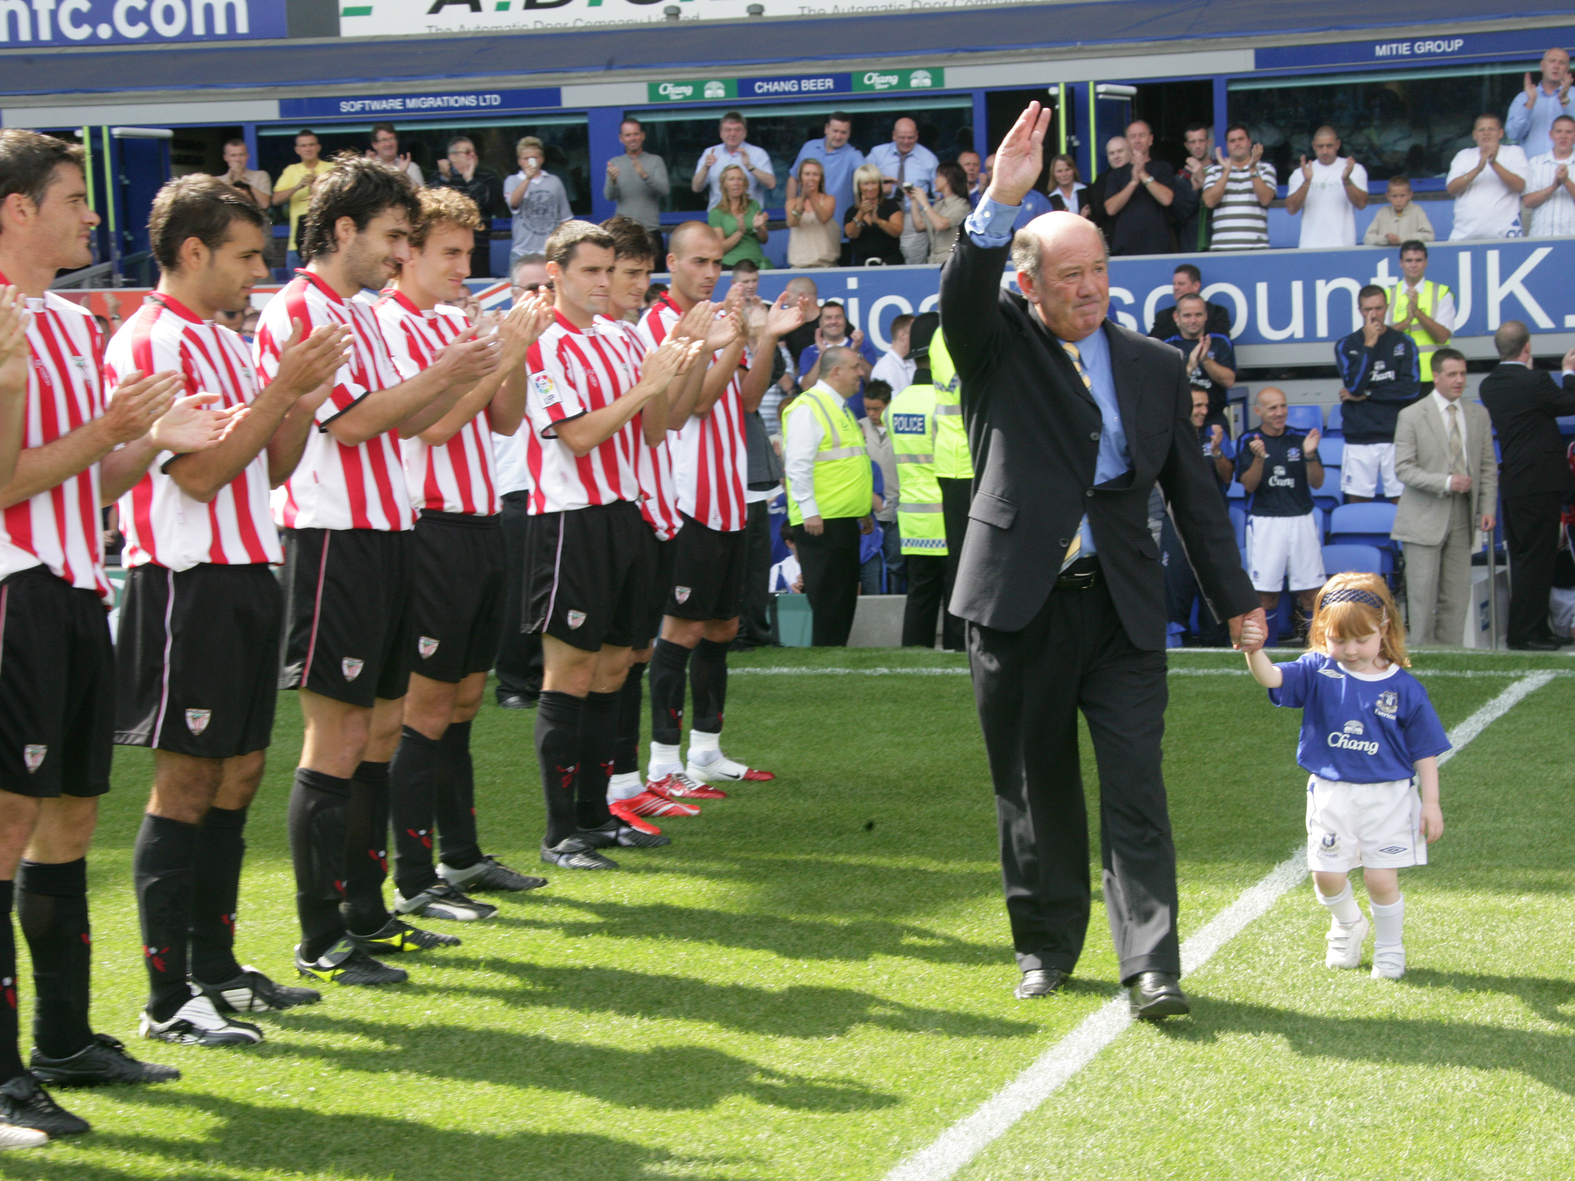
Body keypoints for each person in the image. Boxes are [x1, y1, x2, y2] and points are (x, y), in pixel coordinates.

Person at [939, 103, 1262, 1013]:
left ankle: (1151, 963)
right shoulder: (995, 341)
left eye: (1100, 271)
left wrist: (1236, 601)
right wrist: (998, 199)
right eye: (1069, 275)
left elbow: (1193, 499)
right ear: (1029, 283)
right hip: (1017, 604)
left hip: (1121, 608)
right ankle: (1043, 947)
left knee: (1135, 786)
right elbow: (961, 292)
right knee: (1034, 792)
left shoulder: (1156, 364)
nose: (1089, 289)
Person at [0, 131, 237, 1139]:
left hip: (75, 583)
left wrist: (148, 444)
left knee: (71, 818)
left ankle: (61, 1039)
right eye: (70, 197)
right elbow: (7, 481)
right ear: (16, 208)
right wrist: (111, 434)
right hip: (13, 590)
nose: (91, 215)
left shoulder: (59, 319)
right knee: (8, 827)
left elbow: (77, 479)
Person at [108, 176, 345, 1051]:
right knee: (188, 781)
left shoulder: (224, 339)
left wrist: (302, 392)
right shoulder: (149, 341)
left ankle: (214, 967)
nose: (260, 270)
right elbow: (198, 475)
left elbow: (267, 468)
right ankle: (166, 997)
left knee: (239, 772)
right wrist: (282, 384)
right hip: (186, 578)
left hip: (248, 567)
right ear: (195, 251)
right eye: (247, 254)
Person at [261, 156, 503, 988]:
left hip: (390, 530)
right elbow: (357, 424)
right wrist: (452, 374)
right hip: (334, 538)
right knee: (335, 739)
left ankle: (369, 912)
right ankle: (320, 935)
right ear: (342, 231)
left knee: (382, 731)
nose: (402, 252)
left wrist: (488, 361)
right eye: (394, 236)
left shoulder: (365, 315)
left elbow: (420, 418)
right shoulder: (300, 307)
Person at [375, 190, 554, 919]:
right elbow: (435, 427)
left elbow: (505, 417)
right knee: (424, 705)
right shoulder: (388, 324)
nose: (462, 265)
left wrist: (508, 354)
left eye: (466, 251)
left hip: (478, 525)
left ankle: (461, 854)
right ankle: (414, 877)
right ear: (405, 252)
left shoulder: (454, 320)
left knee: (464, 700)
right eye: (447, 251)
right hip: (429, 527)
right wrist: (502, 352)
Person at [521, 221, 709, 869]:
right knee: (569, 673)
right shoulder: (546, 344)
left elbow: (653, 430)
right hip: (571, 518)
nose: (603, 283)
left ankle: (596, 815)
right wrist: (645, 385)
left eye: (610, 271)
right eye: (590, 272)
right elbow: (577, 437)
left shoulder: (619, 336)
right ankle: (558, 832)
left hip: (624, 512)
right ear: (557, 274)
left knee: (612, 668)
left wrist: (671, 368)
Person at [640, 224, 799, 795]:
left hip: (730, 495)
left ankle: (705, 749)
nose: (711, 272)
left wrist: (767, 338)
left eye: (718, 262)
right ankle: (662, 760)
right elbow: (699, 402)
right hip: (687, 501)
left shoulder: (716, 320)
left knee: (722, 626)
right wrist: (736, 337)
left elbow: (747, 399)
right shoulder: (662, 324)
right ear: (672, 263)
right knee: (680, 630)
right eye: (700, 261)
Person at [1239, 575, 1448, 982]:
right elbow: (1272, 678)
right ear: (1320, 632)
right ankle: (1349, 923)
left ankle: (1390, 946)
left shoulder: (1405, 688)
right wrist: (1254, 651)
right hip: (1331, 793)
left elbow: (1425, 750)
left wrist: (1433, 803)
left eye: (1361, 639)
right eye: (1338, 639)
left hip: (1388, 798)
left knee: (1380, 878)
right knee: (1327, 875)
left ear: (1383, 627)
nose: (1350, 651)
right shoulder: (1318, 668)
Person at [596, 217, 717, 828]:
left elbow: (670, 417)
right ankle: (612, 788)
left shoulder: (623, 336)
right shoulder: (616, 335)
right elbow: (650, 421)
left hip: (654, 508)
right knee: (611, 662)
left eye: (644, 273)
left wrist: (692, 353)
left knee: (634, 654)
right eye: (626, 272)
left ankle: (626, 781)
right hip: (621, 511)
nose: (638, 284)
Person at [1477, 320, 1575, 650]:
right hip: (1539, 482)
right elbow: (1570, 403)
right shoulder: (1535, 381)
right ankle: (1523, 634)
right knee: (1536, 560)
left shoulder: (1490, 385)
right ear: (1528, 348)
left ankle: (1537, 629)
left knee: (1530, 558)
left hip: (1516, 482)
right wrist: (1569, 372)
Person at [1391, 349, 1497, 646]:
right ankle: (1422, 660)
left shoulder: (1478, 414)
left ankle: (1453, 656)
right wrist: (1447, 482)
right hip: (1423, 519)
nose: (1460, 380)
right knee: (1422, 599)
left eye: (1463, 373)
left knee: (1457, 596)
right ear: (1436, 377)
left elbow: (1488, 465)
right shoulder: (1411, 415)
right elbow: (1403, 469)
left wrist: (1487, 507)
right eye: (1452, 374)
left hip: (1463, 516)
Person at [784, 346, 874, 646]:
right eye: (854, 367)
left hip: (840, 520)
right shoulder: (809, 406)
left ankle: (833, 664)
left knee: (842, 601)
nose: (860, 373)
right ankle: (826, 666)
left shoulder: (838, 407)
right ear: (835, 372)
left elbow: (846, 465)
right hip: (821, 523)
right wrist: (809, 510)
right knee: (830, 606)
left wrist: (861, 509)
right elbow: (797, 464)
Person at [494, 254, 551, 711]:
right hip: (513, 483)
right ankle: (514, 683)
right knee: (518, 592)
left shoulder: (561, 343)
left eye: (542, 288)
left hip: (558, 486)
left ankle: (549, 677)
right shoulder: (496, 345)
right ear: (512, 294)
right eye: (527, 289)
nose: (535, 297)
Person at [1239, 386, 1325, 638]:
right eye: (1272, 408)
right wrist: (1259, 458)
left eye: (1283, 406)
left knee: (1311, 594)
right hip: (1266, 522)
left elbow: (1318, 482)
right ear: (1258, 411)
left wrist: (1309, 455)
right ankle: (1268, 657)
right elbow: (1248, 485)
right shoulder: (1248, 440)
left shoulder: (1301, 437)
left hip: (1301, 520)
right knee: (1266, 595)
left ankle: (1317, 655)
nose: (1280, 413)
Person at [889, 313, 950, 646]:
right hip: (947, 514)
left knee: (920, 595)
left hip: (913, 520)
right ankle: (958, 653)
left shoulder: (896, 406)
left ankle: (913, 656)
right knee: (957, 595)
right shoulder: (946, 403)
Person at [1335, 285, 1422, 503]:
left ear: (1387, 308)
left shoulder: (1404, 342)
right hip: (1360, 434)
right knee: (1357, 502)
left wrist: (1369, 394)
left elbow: (1410, 388)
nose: (1373, 314)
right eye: (1367, 309)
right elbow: (1354, 387)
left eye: (1378, 308)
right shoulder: (1346, 344)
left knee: (1402, 501)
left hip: (1397, 435)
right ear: (1359, 310)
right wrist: (1369, 344)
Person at [867, 117, 939, 265]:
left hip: (913, 219)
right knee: (881, 263)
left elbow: (940, 194)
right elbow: (860, 179)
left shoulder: (929, 159)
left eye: (910, 137)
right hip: (883, 215)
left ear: (917, 135)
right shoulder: (877, 154)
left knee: (913, 266)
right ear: (894, 135)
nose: (906, 141)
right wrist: (879, 184)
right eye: (902, 137)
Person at [1098, 120, 1176, 256]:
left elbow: (1166, 199)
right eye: (1132, 137)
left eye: (1142, 135)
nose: (1137, 140)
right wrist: (1133, 183)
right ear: (1127, 142)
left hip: (1158, 247)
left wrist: (1142, 174)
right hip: (1125, 248)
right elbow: (1110, 208)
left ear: (1151, 140)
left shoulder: (1163, 168)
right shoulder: (1116, 174)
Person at [431, 137, 505, 277]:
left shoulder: (487, 178)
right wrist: (446, 179)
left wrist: (470, 180)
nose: (472, 155)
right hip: (446, 249)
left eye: (474, 152)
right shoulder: (439, 178)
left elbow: (487, 202)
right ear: (452, 156)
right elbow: (436, 205)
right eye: (467, 152)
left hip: (478, 248)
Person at [1446, 115, 1529, 240]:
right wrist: (1479, 168)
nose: (1486, 133)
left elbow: (1519, 186)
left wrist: (1493, 163)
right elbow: (1452, 189)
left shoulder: (1514, 152)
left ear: (1501, 133)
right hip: (1466, 234)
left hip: (1505, 234)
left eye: (1491, 129)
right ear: (1474, 135)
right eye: (1481, 130)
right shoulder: (1464, 156)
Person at [1284, 126, 1369, 249]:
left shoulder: (1354, 169)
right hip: (1309, 248)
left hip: (1344, 247)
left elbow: (1361, 204)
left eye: (1329, 146)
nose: (1325, 151)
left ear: (1338, 144)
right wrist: (1307, 181)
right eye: (1320, 146)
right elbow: (1291, 209)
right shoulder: (1300, 173)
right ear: (1313, 146)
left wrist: (1346, 180)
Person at [1386, 241, 1455, 387]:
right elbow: (1381, 338)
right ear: (1401, 263)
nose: (1413, 265)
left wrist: (1417, 312)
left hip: (1432, 375)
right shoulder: (1387, 295)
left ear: (1426, 263)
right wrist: (1406, 321)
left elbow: (1443, 337)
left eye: (1418, 260)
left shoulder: (1441, 293)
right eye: (1409, 260)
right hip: (1398, 375)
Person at [787, 112, 865, 240]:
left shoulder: (852, 155)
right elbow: (793, 178)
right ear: (826, 129)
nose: (838, 136)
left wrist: (881, 180)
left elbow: (866, 173)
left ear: (849, 133)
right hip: (805, 229)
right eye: (835, 131)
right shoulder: (809, 147)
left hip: (837, 232)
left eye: (843, 132)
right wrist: (790, 210)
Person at [1162, 292, 1235, 427]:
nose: (1193, 320)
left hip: (1214, 419)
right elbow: (1165, 388)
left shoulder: (1220, 342)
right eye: (1187, 315)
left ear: (1206, 315)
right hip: (1180, 420)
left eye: (1198, 315)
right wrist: (1190, 366)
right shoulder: (1167, 346)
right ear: (1176, 317)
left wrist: (1206, 360)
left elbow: (1229, 381)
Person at [1204, 124, 1276, 251]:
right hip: (1222, 248)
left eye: (1241, 139)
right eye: (1232, 141)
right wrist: (1227, 171)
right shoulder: (1214, 171)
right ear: (1227, 145)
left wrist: (1253, 168)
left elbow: (1265, 199)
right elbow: (1210, 201)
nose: (1237, 143)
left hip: (1256, 248)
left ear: (1249, 142)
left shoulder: (1265, 169)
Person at [506, 136, 573, 269]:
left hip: (550, 252)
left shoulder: (554, 181)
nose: (530, 162)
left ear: (541, 159)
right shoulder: (512, 180)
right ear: (519, 161)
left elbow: (565, 219)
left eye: (534, 158)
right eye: (526, 159)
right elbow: (513, 203)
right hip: (522, 252)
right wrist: (527, 179)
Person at [860, 378, 901, 592]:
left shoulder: (900, 426)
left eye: (876, 409)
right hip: (869, 512)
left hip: (896, 508)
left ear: (888, 404)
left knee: (897, 564)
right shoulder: (859, 428)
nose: (871, 414)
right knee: (870, 564)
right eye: (867, 408)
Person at [603, 118, 668, 252]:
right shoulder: (614, 163)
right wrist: (613, 181)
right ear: (621, 138)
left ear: (642, 136)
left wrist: (645, 175)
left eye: (636, 134)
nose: (632, 138)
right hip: (624, 233)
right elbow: (609, 197)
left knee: (655, 272)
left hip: (650, 231)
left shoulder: (655, 160)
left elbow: (665, 191)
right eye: (628, 135)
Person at [271, 130, 332, 273]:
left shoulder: (331, 168)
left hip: (326, 240)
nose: (308, 149)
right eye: (303, 146)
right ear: (297, 150)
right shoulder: (291, 170)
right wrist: (298, 186)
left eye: (311, 145)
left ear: (318, 147)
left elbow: (344, 196)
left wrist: (319, 184)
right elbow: (275, 200)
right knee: (296, 290)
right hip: (296, 244)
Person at [691, 112, 774, 209]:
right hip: (718, 218)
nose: (732, 134)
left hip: (749, 217)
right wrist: (705, 167)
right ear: (721, 133)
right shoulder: (710, 152)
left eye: (737, 130)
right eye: (728, 130)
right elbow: (696, 188)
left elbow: (771, 184)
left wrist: (749, 166)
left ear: (745, 133)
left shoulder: (758, 153)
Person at [1505, 47, 1573, 157]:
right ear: (1542, 66)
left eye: (1562, 62)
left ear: (1567, 68)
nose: (1556, 66)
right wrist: (1530, 104)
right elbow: (1513, 135)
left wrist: (1564, 100)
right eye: (1552, 61)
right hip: (1532, 170)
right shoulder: (1524, 98)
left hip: (1569, 170)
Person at [797, 299, 876, 390]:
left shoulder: (862, 345)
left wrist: (856, 352)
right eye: (828, 318)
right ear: (820, 323)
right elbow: (806, 387)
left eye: (838, 317)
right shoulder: (809, 352)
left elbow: (873, 381)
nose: (833, 321)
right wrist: (822, 355)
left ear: (845, 321)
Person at [708, 164, 770, 269]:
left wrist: (758, 228)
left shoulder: (754, 205)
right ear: (724, 184)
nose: (736, 183)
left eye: (739, 179)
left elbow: (764, 240)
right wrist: (740, 232)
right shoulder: (716, 213)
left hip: (755, 264)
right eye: (731, 179)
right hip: (730, 266)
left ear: (744, 183)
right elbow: (719, 248)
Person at [1523, 113, 1575, 238]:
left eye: (1569, 132)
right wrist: (1553, 187)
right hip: (1541, 236)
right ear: (1550, 135)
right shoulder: (1535, 162)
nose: (1563, 136)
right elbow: (1527, 202)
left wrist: (1566, 181)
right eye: (1559, 131)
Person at [1148, 263, 1231, 340]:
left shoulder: (1217, 313)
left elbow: (1223, 339)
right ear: (1176, 316)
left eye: (1181, 284)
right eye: (1174, 284)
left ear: (1196, 286)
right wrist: (1178, 326)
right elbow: (1152, 342)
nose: (1175, 288)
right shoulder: (1164, 316)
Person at [908, 161, 970, 264]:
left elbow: (941, 225)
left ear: (947, 179)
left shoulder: (962, 205)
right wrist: (914, 200)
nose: (935, 181)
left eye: (938, 176)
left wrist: (924, 202)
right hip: (933, 259)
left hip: (951, 260)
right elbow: (919, 226)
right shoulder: (938, 205)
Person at [845, 163, 904, 266]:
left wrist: (878, 220)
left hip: (890, 264)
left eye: (874, 183)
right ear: (858, 186)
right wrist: (861, 213)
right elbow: (851, 234)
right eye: (866, 184)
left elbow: (897, 231)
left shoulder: (890, 205)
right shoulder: (851, 211)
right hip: (862, 266)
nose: (870, 188)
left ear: (880, 185)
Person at [784, 157, 839, 269]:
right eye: (807, 174)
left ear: (821, 178)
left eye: (815, 174)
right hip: (799, 266)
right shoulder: (792, 202)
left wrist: (812, 195)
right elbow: (792, 222)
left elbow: (823, 218)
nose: (811, 178)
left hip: (826, 266)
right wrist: (803, 198)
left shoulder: (829, 199)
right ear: (800, 178)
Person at [1172, 122, 1214, 251]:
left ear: (1209, 142)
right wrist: (1194, 191)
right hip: (1191, 245)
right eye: (1193, 142)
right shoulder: (1180, 179)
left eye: (1201, 141)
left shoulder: (1220, 172)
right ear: (1187, 146)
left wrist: (1203, 182)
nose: (1197, 146)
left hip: (1218, 241)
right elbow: (1179, 217)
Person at [1363, 176, 1435, 246]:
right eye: (1394, 196)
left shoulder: (1417, 211)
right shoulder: (1382, 212)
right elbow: (1367, 238)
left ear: (1410, 195)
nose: (1398, 200)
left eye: (1402, 195)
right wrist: (1386, 240)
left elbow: (1429, 236)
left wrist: (1401, 239)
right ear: (1388, 196)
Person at [1193, 385, 1235, 497]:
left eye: (1206, 405)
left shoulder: (1215, 433)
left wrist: (1217, 452)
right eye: (1198, 406)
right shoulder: (1172, 437)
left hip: (1215, 506)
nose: (1204, 411)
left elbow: (1227, 478)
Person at [216, 138, 271, 210]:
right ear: (225, 158)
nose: (238, 159)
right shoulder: (217, 181)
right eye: (233, 155)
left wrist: (243, 182)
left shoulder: (260, 176)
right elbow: (217, 207)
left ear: (247, 156)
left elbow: (265, 204)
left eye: (241, 155)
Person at [870, 313, 914, 393]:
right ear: (902, 335)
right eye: (916, 332)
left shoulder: (913, 362)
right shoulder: (885, 368)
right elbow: (890, 404)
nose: (919, 336)